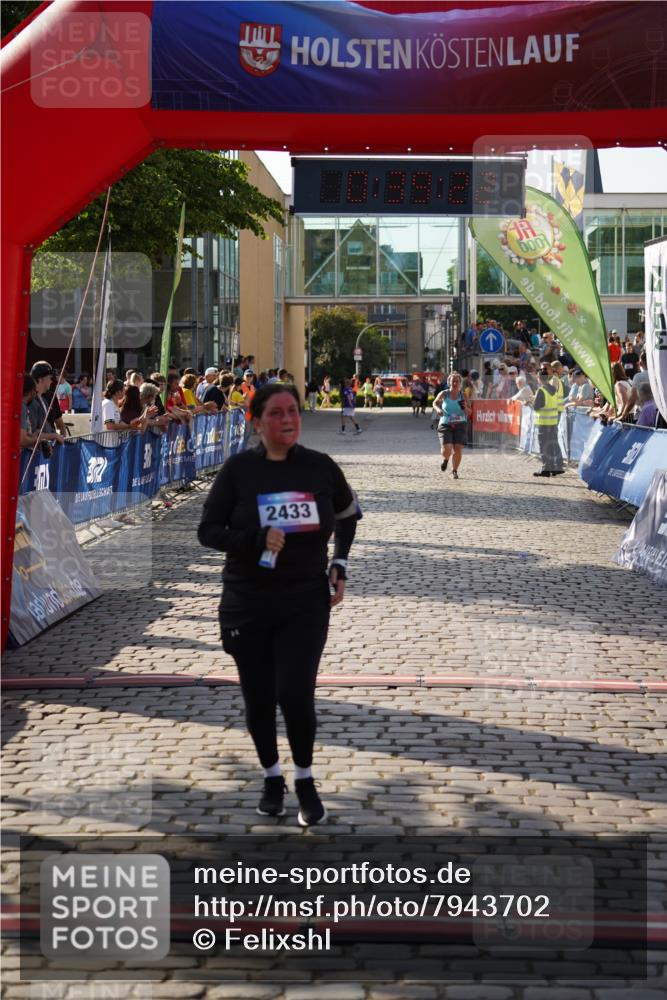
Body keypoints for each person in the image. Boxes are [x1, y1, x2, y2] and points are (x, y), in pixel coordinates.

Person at [198, 383, 358, 826]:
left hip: (304, 599)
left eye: (293, 411)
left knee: (294, 691)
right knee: (259, 695)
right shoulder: (239, 471)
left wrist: (340, 562)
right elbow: (208, 531)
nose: (288, 419)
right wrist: (254, 539)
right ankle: (272, 777)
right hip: (247, 601)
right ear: (256, 422)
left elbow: (348, 515)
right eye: (276, 413)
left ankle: (305, 779)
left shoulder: (319, 466)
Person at [432, 372, 471, 480]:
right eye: (452, 381)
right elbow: (435, 403)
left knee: (458, 449)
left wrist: (465, 408)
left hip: (460, 424)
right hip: (445, 423)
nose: (454, 383)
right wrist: (438, 410)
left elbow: (470, 411)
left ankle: (454, 470)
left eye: (456, 381)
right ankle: (445, 460)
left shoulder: (463, 395)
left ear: (460, 383)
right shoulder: (444, 393)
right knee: (447, 449)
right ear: (449, 382)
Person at [531, 367, 564, 477]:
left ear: (539, 378)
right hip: (553, 422)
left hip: (544, 423)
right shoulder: (553, 389)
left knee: (544, 446)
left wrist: (533, 401)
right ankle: (555, 467)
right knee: (552, 445)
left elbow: (536, 406)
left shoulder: (541, 390)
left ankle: (546, 469)